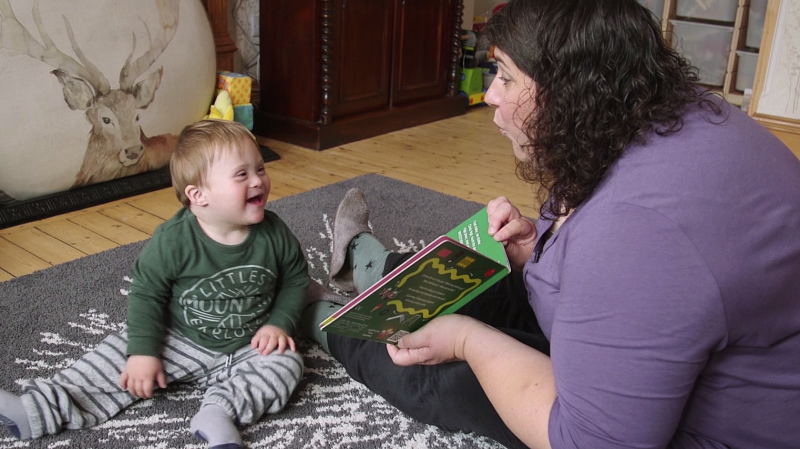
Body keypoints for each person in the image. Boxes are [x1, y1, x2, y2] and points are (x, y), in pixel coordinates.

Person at [299, 1, 800, 448]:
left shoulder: (637, 232)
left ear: (569, 90)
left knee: (442, 368)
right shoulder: (676, 113)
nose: (492, 95)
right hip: (654, 323)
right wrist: (542, 245)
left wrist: (467, 342)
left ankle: (316, 314)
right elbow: (649, 278)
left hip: (688, 424)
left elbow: (588, 440)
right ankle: (369, 265)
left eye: (506, 75)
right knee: (462, 275)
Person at [0, 120, 309, 449]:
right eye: (241, 174)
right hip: (179, 338)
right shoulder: (173, 241)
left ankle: (220, 414)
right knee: (116, 355)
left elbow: (295, 279)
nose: (258, 180)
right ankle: (35, 410)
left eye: (259, 168)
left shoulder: (275, 233)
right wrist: (143, 353)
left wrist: (278, 324)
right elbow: (146, 295)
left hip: (250, 345)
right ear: (198, 195)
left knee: (288, 364)